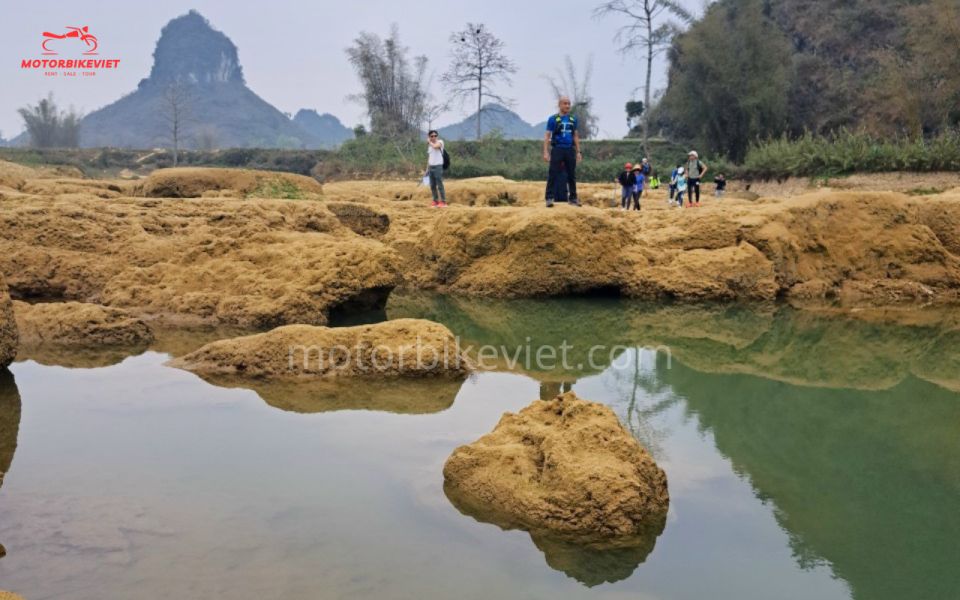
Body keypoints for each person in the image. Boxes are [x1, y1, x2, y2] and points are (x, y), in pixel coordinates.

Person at [543, 96, 582, 207]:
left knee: (571, 174)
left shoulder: (573, 119)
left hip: (569, 149)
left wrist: (579, 152)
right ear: (559, 105)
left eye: (569, 104)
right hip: (557, 149)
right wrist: (545, 152)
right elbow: (547, 136)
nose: (567, 106)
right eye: (565, 103)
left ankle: (573, 198)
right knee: (553, 173)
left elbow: (575, 135)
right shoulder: (553, 119)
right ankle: (549, 198)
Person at [426, 130, 447, 208]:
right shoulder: (429, 146)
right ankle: (435, 200)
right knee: (432, 185)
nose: (434, 137)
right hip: (431, 166)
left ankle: (443, 201)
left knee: (439, 184)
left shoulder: (440, 142)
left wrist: (429, 142)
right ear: (429, 137)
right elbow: (429, 157)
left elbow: (436, 146)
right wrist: (426, 169)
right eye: (432, 136)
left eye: (435, 136)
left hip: (438, 166)